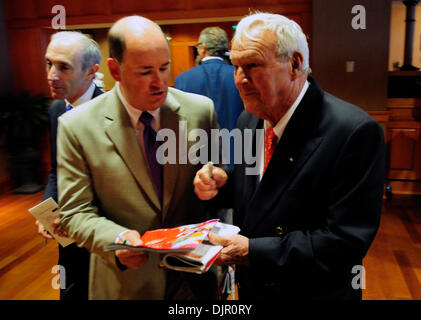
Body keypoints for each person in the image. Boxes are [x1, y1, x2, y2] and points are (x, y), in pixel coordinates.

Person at [193, 12, 385, 300]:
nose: (240, 80)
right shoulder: (250, 119)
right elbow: (258, 192)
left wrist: (253, 251)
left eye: (252, 65)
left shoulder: (354, 131)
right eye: (236, 67)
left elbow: (345, 242)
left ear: (294, 64)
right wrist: (222, 183)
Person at [56, 16, 218, 300]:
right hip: (125, 285)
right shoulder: (76, 126)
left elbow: (218, 175)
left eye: (164, 68)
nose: (159, 83)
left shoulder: (200, 111)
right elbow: (74, 213)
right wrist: (116, 239)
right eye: (145, 72)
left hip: (192, 282)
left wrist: (215, 179)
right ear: (115, 70)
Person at [36, 31, 103, 300]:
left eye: (63, 67)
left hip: (102, 232)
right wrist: (47, 208)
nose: (52, 74)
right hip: (67, 234)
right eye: (49, 63)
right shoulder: (56, 110)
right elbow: (57, 169)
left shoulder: (114, 111)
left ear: (91, 72)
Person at [175, 27, 244, 170]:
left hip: (197, 162)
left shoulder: (183, 80)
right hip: (238, 157)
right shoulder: (241, 78)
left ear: (202, 48)